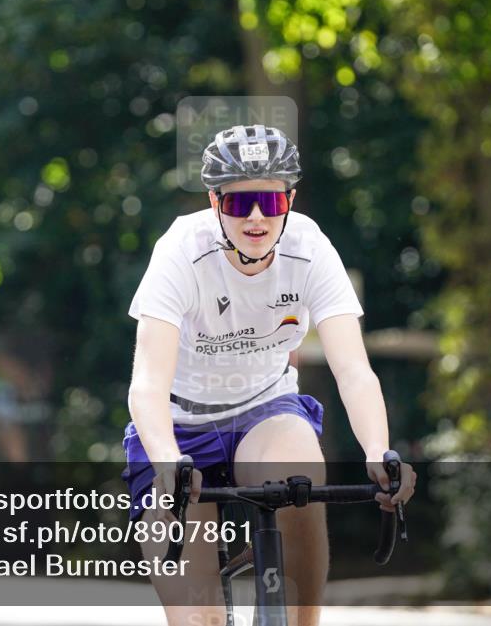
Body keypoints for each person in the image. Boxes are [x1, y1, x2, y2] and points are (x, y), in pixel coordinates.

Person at [121, 124, 416, 626]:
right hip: (179, 425)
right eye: (239, 204)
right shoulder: (180, 251)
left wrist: (378, 453)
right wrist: (169, 460)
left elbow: (353, 369)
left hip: (265, 409)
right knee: (200, 620)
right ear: (215, 203)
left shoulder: (310, 248)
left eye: (271, 202)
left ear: (290, 200)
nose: (256, 217)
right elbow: (147, 382)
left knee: (299, 481)